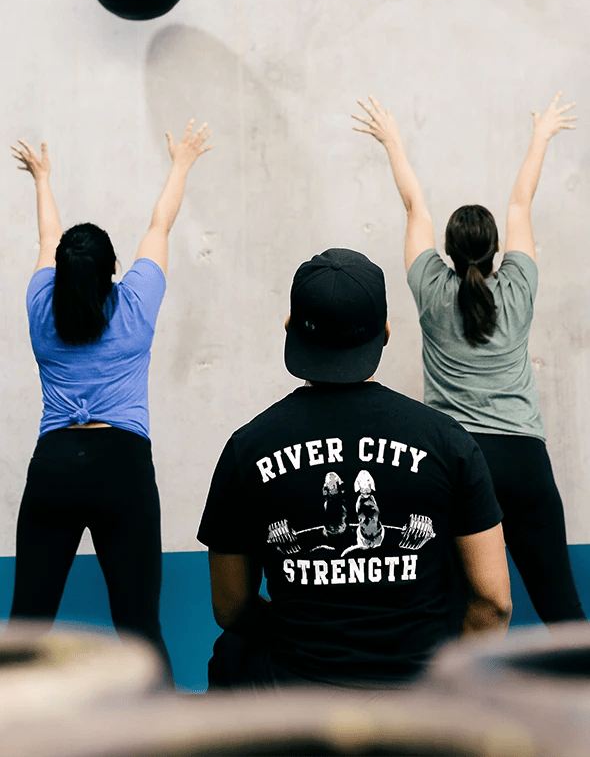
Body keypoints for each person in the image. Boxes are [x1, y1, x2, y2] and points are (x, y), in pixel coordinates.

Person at [197, 247, 511, 691]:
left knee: (230, 656)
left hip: (296, 696)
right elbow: (493, 601)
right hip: (418, 699)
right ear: (384, 332)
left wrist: (306, 635)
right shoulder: (448, 443)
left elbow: (230, 608)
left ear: (290, 330)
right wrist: (451, 691)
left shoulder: (247, 449)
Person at [352, 91, 585, 627]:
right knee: (563, 613)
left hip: (457, 461)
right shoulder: (521, 284)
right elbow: (521, 204)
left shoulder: (431, 288)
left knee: (453, 609)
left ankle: (449, 706)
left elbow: (415, 206)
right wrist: (541, 135)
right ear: (497, 250)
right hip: (524, 458)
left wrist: (393, 142)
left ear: (450, 253)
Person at [9, 118, 212, 684]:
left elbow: (47, 242)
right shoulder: (136, 306)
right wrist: (181, 163)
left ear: (60, 277)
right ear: (113, 272)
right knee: (140, 629)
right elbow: (160, 224)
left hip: (53, 468)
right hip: (122, 469)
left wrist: (41, 180)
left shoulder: (38, 307)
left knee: (26, 628)